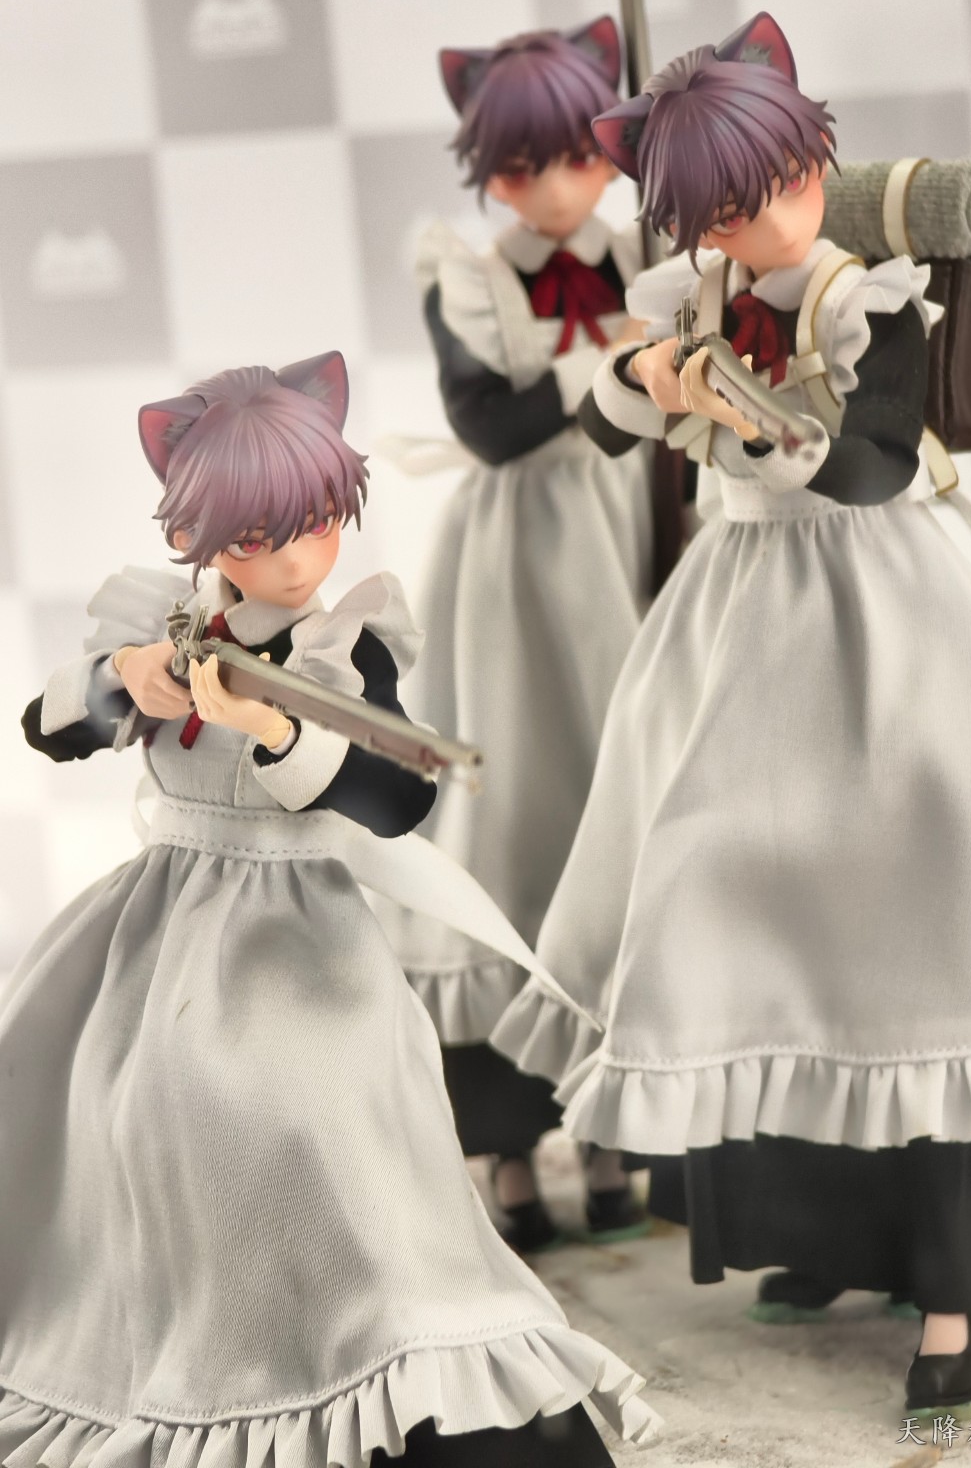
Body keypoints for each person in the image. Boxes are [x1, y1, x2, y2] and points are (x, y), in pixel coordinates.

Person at [491, 13, 971, 1416]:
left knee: (928, 931)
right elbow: (604, 426)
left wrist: (755, 422)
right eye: (723, 210)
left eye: (781, 185)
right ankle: (820, 1233)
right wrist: (650, 380)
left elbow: (868, 462)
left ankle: (951, 1281)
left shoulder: (864, 295)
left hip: (887, 614)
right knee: (749, 918)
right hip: (743, 619)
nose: (759, 222)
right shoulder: (692, 290)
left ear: (817, 161)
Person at [1, 354, 655, 1465]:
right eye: (259, 536)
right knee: (137, 1114)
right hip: (164, 933)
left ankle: (367, 1352)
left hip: (300, 936)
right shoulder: (164, 622)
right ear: (202, 535)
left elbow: (401, 796)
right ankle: (188, 1348)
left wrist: (277, 731)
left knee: (328, 1123)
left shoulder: (343, 647)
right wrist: (127, 676)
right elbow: (46, 725)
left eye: (315, 523)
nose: (298, 557)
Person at [381, 19, 653, 1250]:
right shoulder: (468, 276)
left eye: (579, 157)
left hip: (633, 531)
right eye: (521, 166)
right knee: (515, 819)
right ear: (488, 171)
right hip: (522, 562)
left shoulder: (649, 255)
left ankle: (617, 1129)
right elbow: (489, 424)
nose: (552, 189)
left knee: (625, 809)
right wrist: (616, 367)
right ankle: (503, 1149)